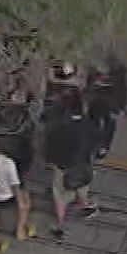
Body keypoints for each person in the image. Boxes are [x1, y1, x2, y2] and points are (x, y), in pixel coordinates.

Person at [45, 92, 100, 240]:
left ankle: (60, 224)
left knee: (60, 196)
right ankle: (85, 205)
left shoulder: (59, 127)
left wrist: (51, 161)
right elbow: (95, 144)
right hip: (83, 165)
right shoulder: (89, 126)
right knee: (82, 188)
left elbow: (50, 146)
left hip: (63, 167)